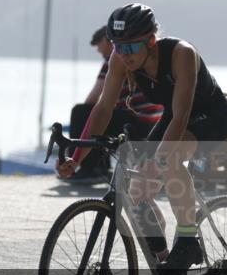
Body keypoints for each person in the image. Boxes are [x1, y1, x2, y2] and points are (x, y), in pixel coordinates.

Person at [57, 3, 227, 275]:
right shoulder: (119, 59)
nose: (123, 54)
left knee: (170, 161)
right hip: (174, 118)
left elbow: (181, 117)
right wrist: (77, 158)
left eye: (130, 47)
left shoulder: (181, 54)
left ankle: (187, 241)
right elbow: (102, 108)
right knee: (135, 189)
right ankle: (164, 265)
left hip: (209, 117)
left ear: (150, 40)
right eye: (117, 46)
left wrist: (160, 160)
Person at [64, 26, 163, 184]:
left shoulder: (117, 60)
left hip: (140, 122)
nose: (99, 51)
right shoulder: (140, 57)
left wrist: (84, 124)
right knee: (102, 115)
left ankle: (91, 169)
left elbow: (93, 99)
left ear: (108, 41)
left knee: (81, 112)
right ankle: (98, 166)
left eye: (99, 46)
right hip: (153, 121)